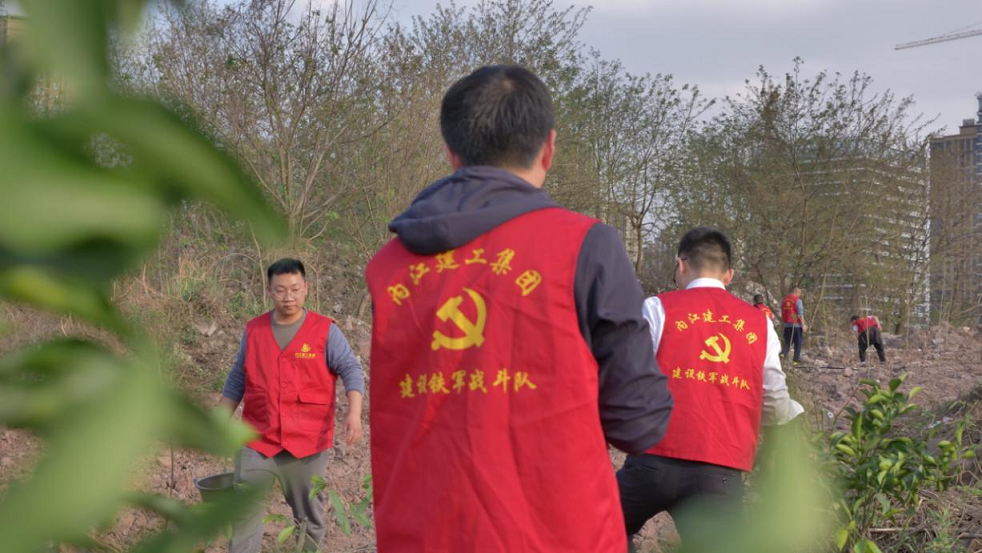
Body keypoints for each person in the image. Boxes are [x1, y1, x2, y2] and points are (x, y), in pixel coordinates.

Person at [364, 65, 673, 553]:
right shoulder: (586, 247)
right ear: (549, 147)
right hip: (558, 537)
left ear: (452, 152)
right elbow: (639, 423)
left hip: (421, 535)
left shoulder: (389, 266)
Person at [618, 227, 804, 547]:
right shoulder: (760, 324)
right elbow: (774, 400)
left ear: (681, 265)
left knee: (598, 531)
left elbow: (625, 378)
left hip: (652, 462)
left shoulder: (657, 308)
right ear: (729, 274)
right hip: (720, 474)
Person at [219, 258, 365, 553]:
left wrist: (355, 413)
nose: (289, 297)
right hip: (258, 438)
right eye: (281, 290)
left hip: (307, 443)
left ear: (306, 288)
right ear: (269, 290)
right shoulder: (254, 330)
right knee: (244, 511)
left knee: (309, 518)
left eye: (295, 290)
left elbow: (350, 368)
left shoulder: (325, 331)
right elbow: (237, 376)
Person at [780, 286, 807, 364]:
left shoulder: (784, 300)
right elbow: (800, 313)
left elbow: (782, 311)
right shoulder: (798, 300)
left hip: (787, 325)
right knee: (798, 342)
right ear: (796, 292)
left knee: (788, 342)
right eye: (799, 293)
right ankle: (796, 360)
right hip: (796, 325)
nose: (800, 295)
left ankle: (782, 354)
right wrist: (803, 325)